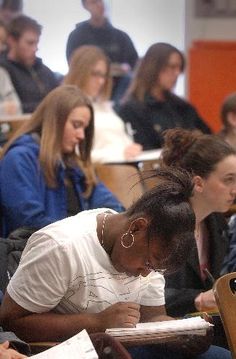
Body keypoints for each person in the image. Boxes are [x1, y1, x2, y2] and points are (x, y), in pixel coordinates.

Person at [0, 167, 232, 358]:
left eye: (155, 269)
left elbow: (152, 317)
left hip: (123, 345)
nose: (145, 274)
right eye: (148, 263)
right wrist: (96, 322)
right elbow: (13, 321)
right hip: (70, 348)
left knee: (217, 356)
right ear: (136, 227)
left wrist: (181, 332)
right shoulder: (61, 247)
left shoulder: (153, 249)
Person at [0, 85, 123, 237]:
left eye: (84, 129)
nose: (81, 136)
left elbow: (108, 203)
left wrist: (123, 222)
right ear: (54, 121)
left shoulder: (75, 163)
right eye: (76, 125)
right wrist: (86, 235)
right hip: (36, 254)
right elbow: (29, 223)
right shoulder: (19, 159)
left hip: (74, 248)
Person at [157, 128, 236, 317]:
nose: (235, 190)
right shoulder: (163, 223)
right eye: (229, 180)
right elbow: (143, 296)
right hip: (168, 329)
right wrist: (197, 300)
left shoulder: (215, 220)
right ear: (198, 183)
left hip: (200, 324)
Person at [117, 42, 211, 150]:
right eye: (172, 67)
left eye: (179, 68)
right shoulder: (131, 109)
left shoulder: (182, 107)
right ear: (153, 67)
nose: (177, 73)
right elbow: (144, 148)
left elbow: (208, 137)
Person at [63, 45, 142, 163]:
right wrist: (119, 154)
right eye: (95, 74)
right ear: (80, 72)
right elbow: (75, 154)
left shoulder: (104, 106)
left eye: (103, 75)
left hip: (125, 167)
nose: (101, 81)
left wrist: (132, 148)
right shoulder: (68, 106)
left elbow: (121, 140)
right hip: (101, 173)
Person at [66, 0, 138, 103]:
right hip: (85, 90)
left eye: (102, 1)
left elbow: (134, 65)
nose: (100, 5)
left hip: (119, 89)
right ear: (85, 5)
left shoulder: (121, 37)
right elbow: (74, 66)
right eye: (95, 1)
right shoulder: (77, 36)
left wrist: (123, 69)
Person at [0, 15, 59, 113]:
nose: (35, 48)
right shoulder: (3, 71)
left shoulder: (44, 70)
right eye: (30, 43)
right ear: (12, 41)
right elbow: (13, 109)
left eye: (37, 43)